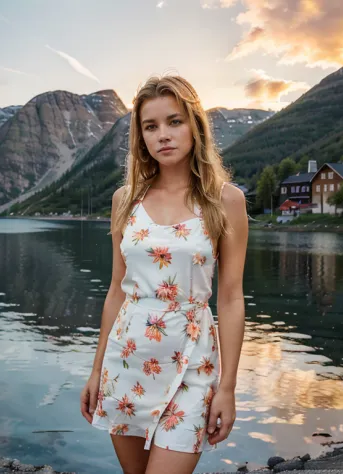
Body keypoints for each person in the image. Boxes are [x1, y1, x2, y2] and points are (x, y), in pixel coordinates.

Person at [80, 75, 247, 474]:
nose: (163, 135)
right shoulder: (126, 199)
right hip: (128, 362)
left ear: (195, 125)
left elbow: (230, 298)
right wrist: (96, 368)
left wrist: (227, 387)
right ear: (140, 137)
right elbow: (116, 291)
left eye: (174, 121)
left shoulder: (226, 200)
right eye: (150, 126)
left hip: (193, 363)